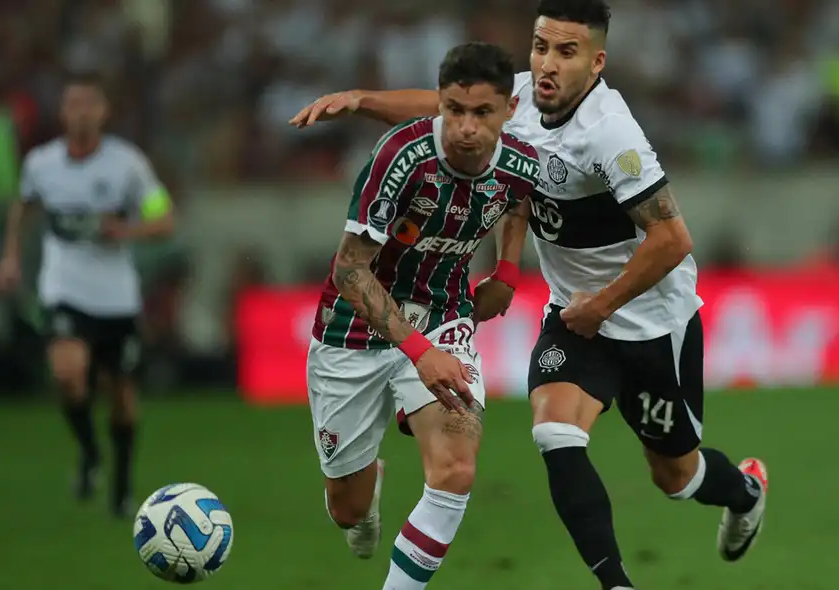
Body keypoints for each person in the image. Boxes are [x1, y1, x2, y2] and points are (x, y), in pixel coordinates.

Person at [290, 1, 769, 588]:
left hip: (648, 320)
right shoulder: (519, 100)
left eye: (566, 52)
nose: (545, 63)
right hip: (573, 314)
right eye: (541, 46)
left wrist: (602, 304)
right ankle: (618, 584)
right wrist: (365, 101)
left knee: (675, 474)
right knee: (554, 432)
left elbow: (672, 239)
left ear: (596, 62)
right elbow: (449, 113)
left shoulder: (612, 135)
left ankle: (744, 492)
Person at [305, 42, 539, 590]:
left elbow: (519, 198)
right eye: (454, 109)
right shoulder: (400, 158)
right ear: (439, 103)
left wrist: (507, 268)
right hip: (354, 328)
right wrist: (418, 352)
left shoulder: (520, 160)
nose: (465, 127)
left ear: (508, 111)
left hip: (444, 314)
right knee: (347, 508)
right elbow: (349, 271)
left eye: (482, 113)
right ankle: (365, 491)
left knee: (456, 468)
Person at [0, 72, 176, 517]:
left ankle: (120, 483)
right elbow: (24, 203)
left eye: (89, 103)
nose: (80, 112)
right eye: (73, 103)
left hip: (115, 297)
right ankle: (90, 451)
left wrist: (127, 229)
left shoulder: (127, 165)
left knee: (120, 398)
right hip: (64, 289)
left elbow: (164, 219)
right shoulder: (41, 163)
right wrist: (11, 257)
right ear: (62, 111)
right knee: (67, 374)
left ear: (103, 111)